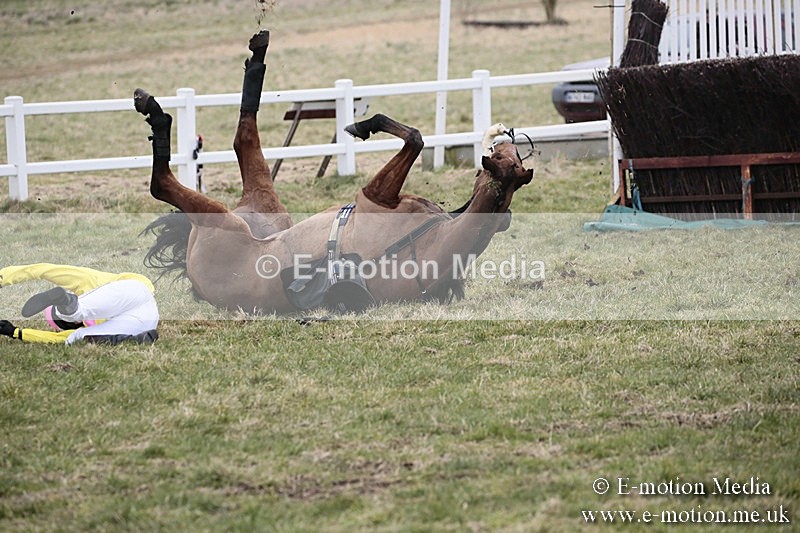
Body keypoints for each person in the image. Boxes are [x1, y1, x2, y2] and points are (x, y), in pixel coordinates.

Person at [0, 263, 159, 345]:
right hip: (146, 320)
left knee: (80, 313)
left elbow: (42, 269)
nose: (72, 325)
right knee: (76, 338)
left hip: (133, 291)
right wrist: (16, 332)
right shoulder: (89, 328)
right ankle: (135, 340)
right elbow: (61, 338)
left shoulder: (87, 283)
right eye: (67, 324)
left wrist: (3, 278)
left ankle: (64, 302)